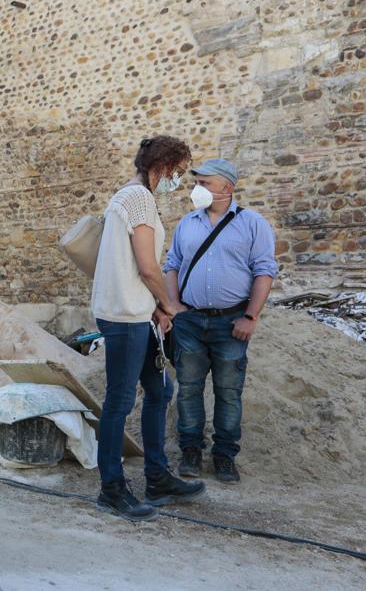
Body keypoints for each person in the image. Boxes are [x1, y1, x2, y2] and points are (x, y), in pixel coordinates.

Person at [91, 136, 207, 522]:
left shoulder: (130, 195)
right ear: (166, 165)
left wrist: (154, 308)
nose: (180, 178)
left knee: (160, 389)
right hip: (125, 315)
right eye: (180, 170)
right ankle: (111, 488)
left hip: (136, 313)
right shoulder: (138, 197)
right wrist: (168, 304)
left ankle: (157, 478)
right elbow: (147, 265)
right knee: (119, 401)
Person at [163, 158, 277, 484]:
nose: (197, 189)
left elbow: (264, 271)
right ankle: (190, 452)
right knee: (188, 390)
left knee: (229, 392)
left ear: (226, 187)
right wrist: (173, 306)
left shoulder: (253, 224)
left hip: (231, 323)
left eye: (205, 183)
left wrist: (251, 317)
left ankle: (225, 456)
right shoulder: (187, 224)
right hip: (190, 322)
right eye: (196, 182)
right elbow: (172, 264)